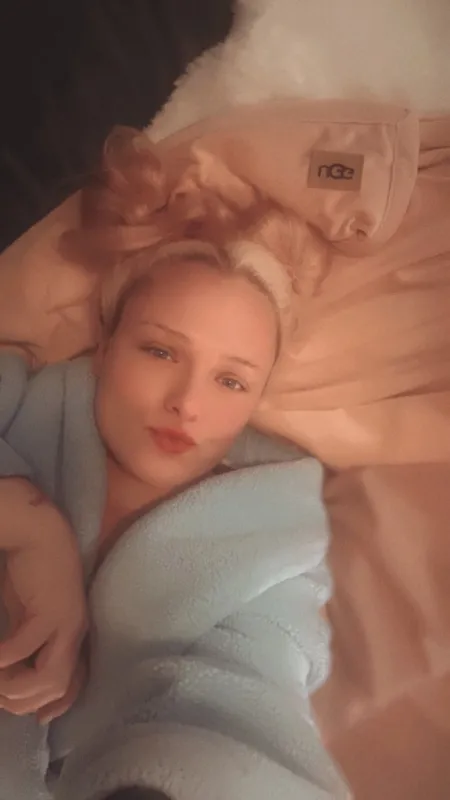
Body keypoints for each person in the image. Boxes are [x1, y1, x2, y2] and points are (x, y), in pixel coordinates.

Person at [0, 128, 348, 799]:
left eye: (231, 381)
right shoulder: (14, 402)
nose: (187, 403)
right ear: (105, 345)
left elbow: (248, 711)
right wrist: (27, 522)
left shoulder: (275, 544)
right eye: (161, 352)